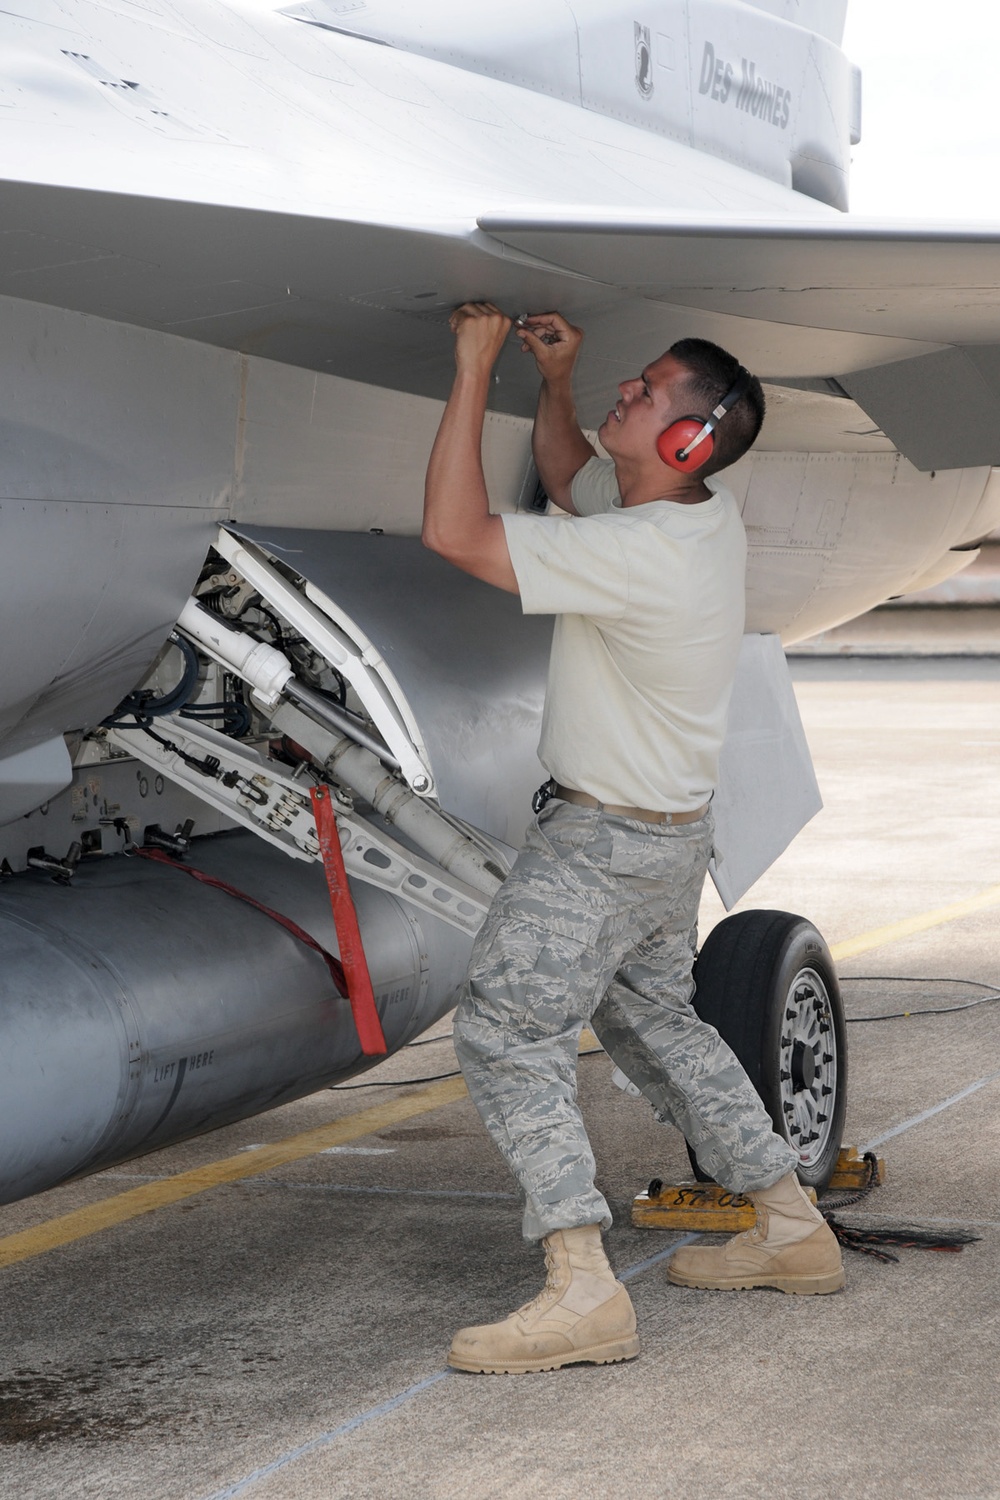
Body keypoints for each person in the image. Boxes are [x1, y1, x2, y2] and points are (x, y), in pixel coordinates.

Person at [422, 303, 843, 1376]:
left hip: (602, 845)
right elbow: (572, 483)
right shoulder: (690, 514)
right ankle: (790, 1229)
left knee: (507, 1030)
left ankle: (581, 1288)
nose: (625, 390)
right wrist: (556, 386)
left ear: (689, 439)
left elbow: (456, 537)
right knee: (665, 1027)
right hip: (661, 840)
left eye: (644, 390)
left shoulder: (646, 552)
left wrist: (472, 369)